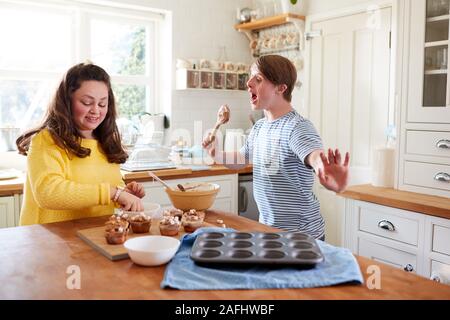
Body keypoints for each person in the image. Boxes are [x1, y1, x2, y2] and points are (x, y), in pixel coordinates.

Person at [203, 55, 350, 240]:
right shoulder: (259, 127)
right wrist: (216, 153)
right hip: (269, 232)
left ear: (281, 88)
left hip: (301, 237)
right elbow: (240, 160)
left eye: (258, 79)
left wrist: (324, 169)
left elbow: (314, 156)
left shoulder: (297, 127)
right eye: (250, 77)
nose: (248, 83)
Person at [16, 62, 145, 226]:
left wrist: (124, 194)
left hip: (95, 237)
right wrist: (113, 193)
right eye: (86, 102)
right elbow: (48, 193)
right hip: (48, 242)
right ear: (67, 101)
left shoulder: (106, 141)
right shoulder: (47, 140)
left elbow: (105, 191)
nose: (96, 110)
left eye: (102, 103)